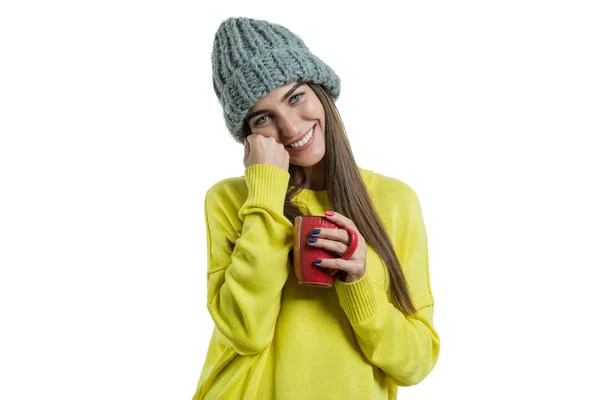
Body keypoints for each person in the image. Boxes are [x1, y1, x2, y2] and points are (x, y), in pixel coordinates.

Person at [192, 17, 440, 400]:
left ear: (321, 91)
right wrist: (265, 194)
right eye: (263, 118)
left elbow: (416, 363)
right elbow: (246, 331)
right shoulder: (230, 200)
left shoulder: (394, 201)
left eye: (295, 97)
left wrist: (359, 285)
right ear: (249, 138)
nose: (290, 128)